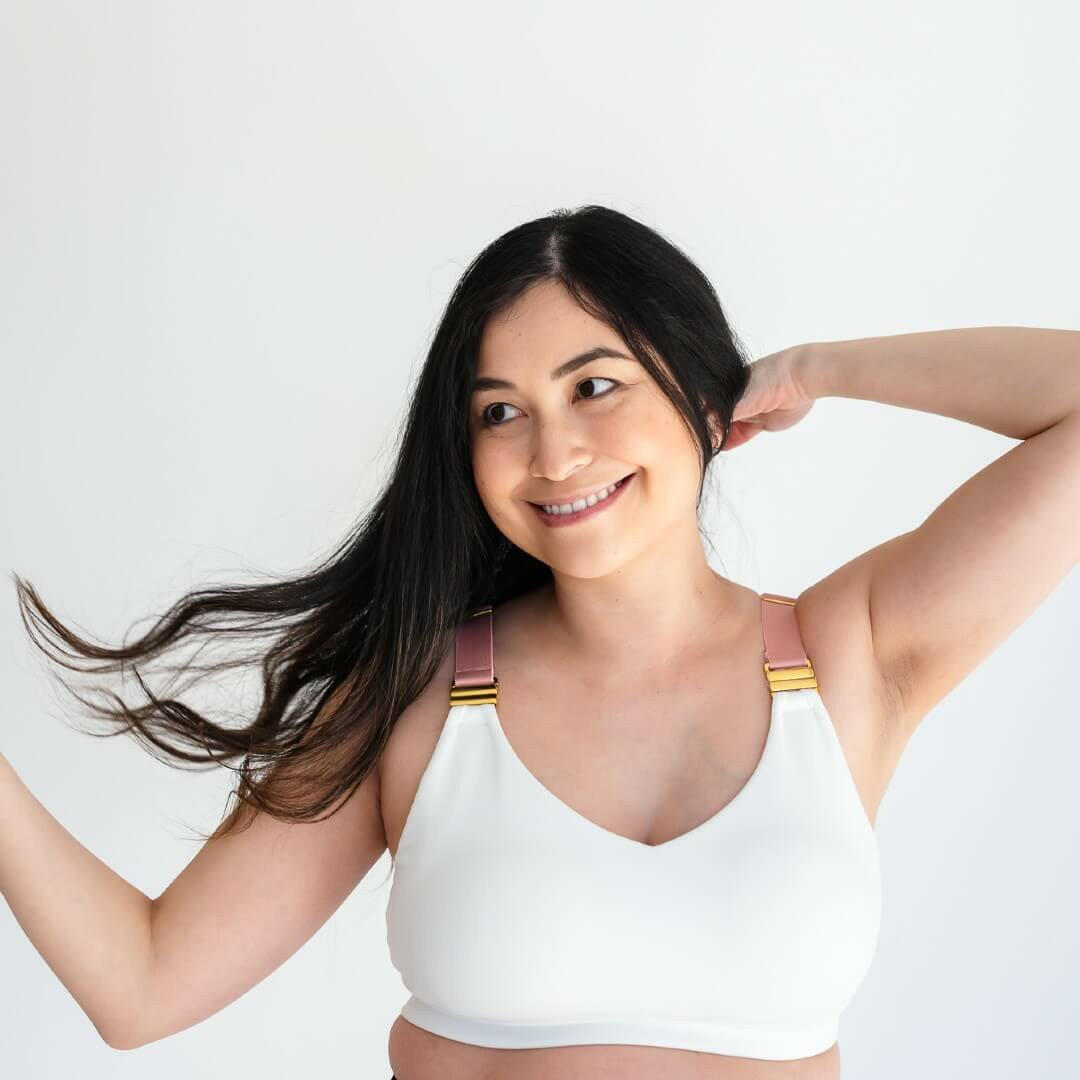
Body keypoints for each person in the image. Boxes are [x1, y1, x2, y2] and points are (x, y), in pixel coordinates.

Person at [3, 205, 1078, 1080]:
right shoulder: (418, 699)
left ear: (706, 404)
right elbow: (142, 986)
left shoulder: (848, 655)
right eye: (500, 413)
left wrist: (823, 367)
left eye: (594, 386)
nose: (555, 453)